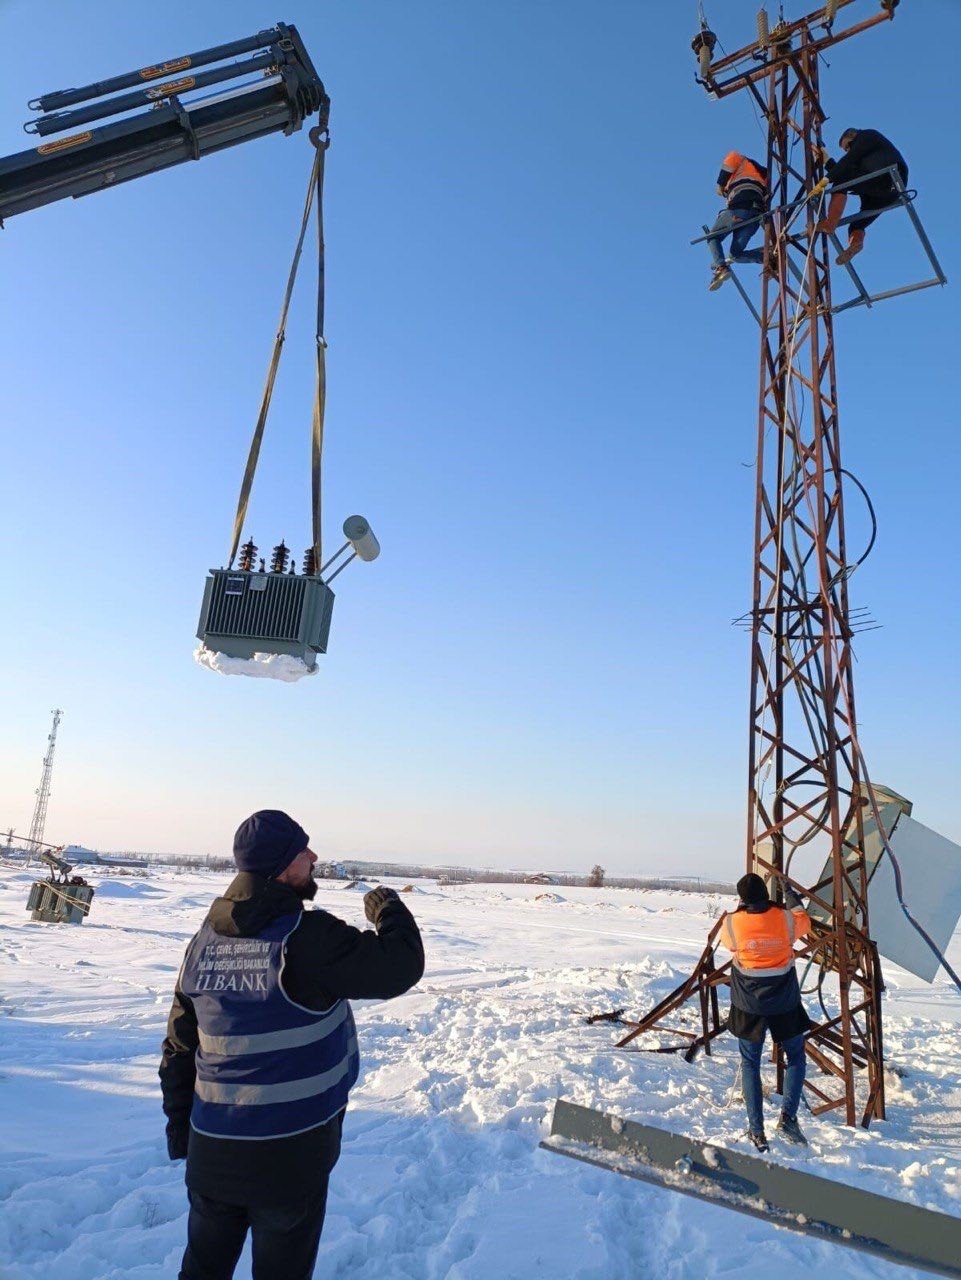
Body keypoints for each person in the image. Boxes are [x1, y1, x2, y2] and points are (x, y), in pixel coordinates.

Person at [159, 810, 425, 1280]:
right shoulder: (307, 938)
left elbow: (179, 1047)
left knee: (202, 1270)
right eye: (304, 851)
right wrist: (387, 908)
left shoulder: (203, 941)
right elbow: (399, 966)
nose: (314, 857)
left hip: (213, 1150)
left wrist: (182, 1130)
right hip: (289, 1159)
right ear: (283, 866)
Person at [717, 872, 813, 1152]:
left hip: (749, 1006)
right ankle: (788, 1119)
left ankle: (756, 1130)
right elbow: (804, 922)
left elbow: (731, 944)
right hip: (784, 1002)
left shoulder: (732, 923)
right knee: (796, 1056)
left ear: (742, 899)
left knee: (750, 1063)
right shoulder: (784, 919)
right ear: (767, 893)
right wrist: (792, 897)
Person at [813, 127, 909, 265]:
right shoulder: (867, 153)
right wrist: (826, 160)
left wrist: (824, 181)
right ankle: (856, 243)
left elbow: (848, 162)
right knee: (858, 223)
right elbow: (846, 168)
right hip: (887, 193)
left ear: (853, 136)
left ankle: (830, 223)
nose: (848, 151)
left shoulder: (867, 136)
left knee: (841, 183)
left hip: (885, 177)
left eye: (848, 146)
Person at [706, 150, 769, 291]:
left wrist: (720, 185)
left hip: (740, 208)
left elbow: (732, 157)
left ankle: (721, 267)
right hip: (755, 216)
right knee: (736, 255)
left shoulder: (741, 161)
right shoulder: (760, 176)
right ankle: (768, 259)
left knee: (713, 237)